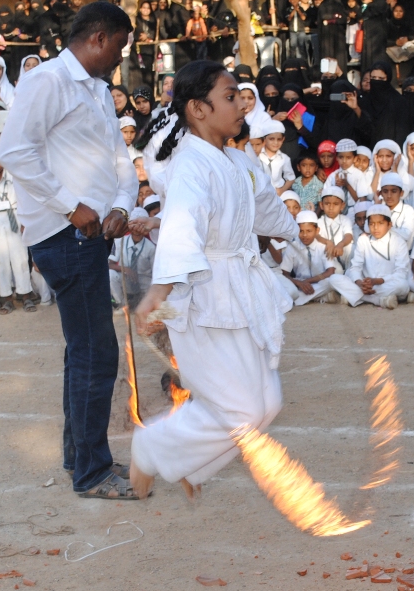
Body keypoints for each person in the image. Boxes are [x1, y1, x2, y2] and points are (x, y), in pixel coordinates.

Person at [130, 60, 299, 501]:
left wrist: (293, 230)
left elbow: (264, 208)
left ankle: (192, 464)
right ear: (198, 109)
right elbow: (184, 225)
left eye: (241, 97)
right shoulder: (191, 164)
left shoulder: (238, 160)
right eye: (230, 97)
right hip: (200, 295)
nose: (242, 105)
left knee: (267, 403)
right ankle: (150, 448)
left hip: (240, 291)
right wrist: (159, 292)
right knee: (243, 409)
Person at [0, 2, 138, 499]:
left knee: (84, 349)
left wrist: (120, 206)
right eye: (120, 45)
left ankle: (80, 456)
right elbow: (14, 151)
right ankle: (92, 473)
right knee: (95, 352)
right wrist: (71, 206)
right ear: (98, 37)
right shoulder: (48, 80)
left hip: (93, 233)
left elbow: (120, 162)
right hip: (66, 236)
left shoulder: (97, 89)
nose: (121, 57)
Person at [0, 142, 36, 314]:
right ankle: (7, 298)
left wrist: (24, 221)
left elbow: (23, 200)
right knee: (0, 259)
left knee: (20, 258)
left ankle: (25, 295)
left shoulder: (14, 177)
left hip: (15, 215)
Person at [329, 203, 410, 309]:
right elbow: (355, 267)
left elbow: (401, 273)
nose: (375, 228)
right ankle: (378, 300)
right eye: (372, 224)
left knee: (403, 285)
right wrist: (360, 283)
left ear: (389, 225)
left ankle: (356, 296)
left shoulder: (399, 242)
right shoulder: (363, 240)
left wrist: (377, 281)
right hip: (366, 285)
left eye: (380, 223)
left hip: (387, 283)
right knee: (334, 279)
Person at [282, 210, 340, 306]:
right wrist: (299, 283)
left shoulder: (323, 246)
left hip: (320, 282)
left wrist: (307, 281)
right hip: (300, 284)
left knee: (332, 280)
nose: (304, 235)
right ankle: (321, 297)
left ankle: (305, 298)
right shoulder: (292, 247)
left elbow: (330, 271)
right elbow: (284, 273)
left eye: (309, 231)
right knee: (288, 289)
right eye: (301, 231)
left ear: (317, 231)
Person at [108, 206, 155, 308]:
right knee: (110, 274)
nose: (137, 229)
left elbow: (155, 272)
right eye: (134, 225)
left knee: (153, 285)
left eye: (141, 226)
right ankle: (122, 305)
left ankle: (144, 305)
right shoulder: (119, 241)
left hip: (143, 280)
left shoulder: (151, 247)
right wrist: (125, 269)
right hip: (125, 277)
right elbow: (109, 265)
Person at [259, 120, 294, 193]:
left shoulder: (284, 158)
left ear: (283, 139)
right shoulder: (258, 155)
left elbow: (291, 178)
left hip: (277, 193)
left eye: (279, 139)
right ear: (264, 139)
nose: (276, 143)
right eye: (271, 139)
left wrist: (281, 190)